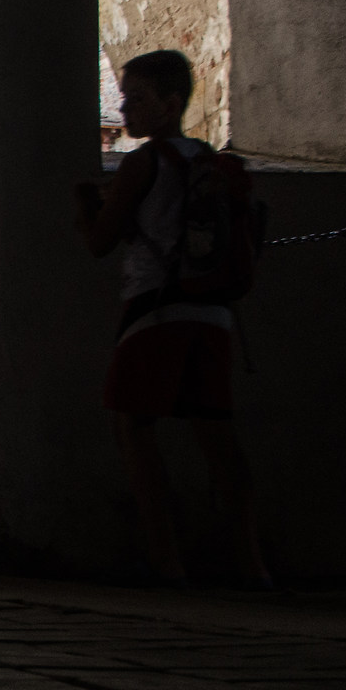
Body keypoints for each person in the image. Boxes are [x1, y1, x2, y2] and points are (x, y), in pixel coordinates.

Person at [76, 49, 275, 589]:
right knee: (218, 439)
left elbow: (100, 242)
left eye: (137, 99)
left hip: (154, 314)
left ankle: (167, 562)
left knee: (134, 430)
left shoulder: (145, 163)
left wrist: (85, 206)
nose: (125, 110)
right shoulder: (213, 162)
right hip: (213, 314)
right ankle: (252, 565)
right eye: (124, 98)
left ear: (171, 103)